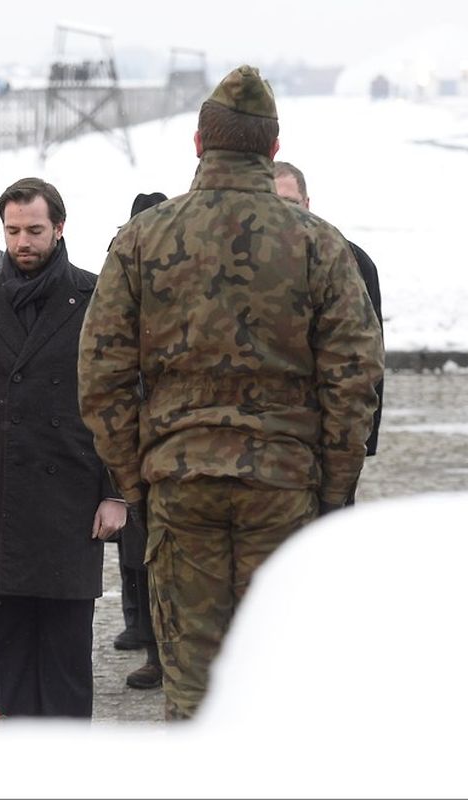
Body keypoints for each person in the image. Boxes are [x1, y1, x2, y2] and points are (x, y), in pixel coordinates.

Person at [77, 66, 384, 720]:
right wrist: (334, 485)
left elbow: (100, 375)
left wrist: (135, 480)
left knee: (191, 685)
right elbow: (354, 374)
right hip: (283, 486)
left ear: (198, 144)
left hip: (179, 484)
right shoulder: (318, 242)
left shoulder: (141, 239)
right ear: (272, 149)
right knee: (280, 677)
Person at [0, 177, 127, 718]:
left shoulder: (95, 298)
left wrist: (117, 492)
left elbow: (118, 398)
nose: (23, 242)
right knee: (7, 662)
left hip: (70, 497)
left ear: (59, 229)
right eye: (14, 231)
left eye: (34, 230)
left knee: (66, 661)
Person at [273, 159, 384, 483]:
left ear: (307, 204)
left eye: (290, 202)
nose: (285, 213)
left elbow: (370, 356)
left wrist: (363, 442)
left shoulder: (350, 259)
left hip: (326, 435)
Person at [109, 191, 169, 692]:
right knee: (137, 553)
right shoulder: (119, 268)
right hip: (134, 433)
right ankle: (150, 644)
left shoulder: (184, 266)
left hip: (172, 431)